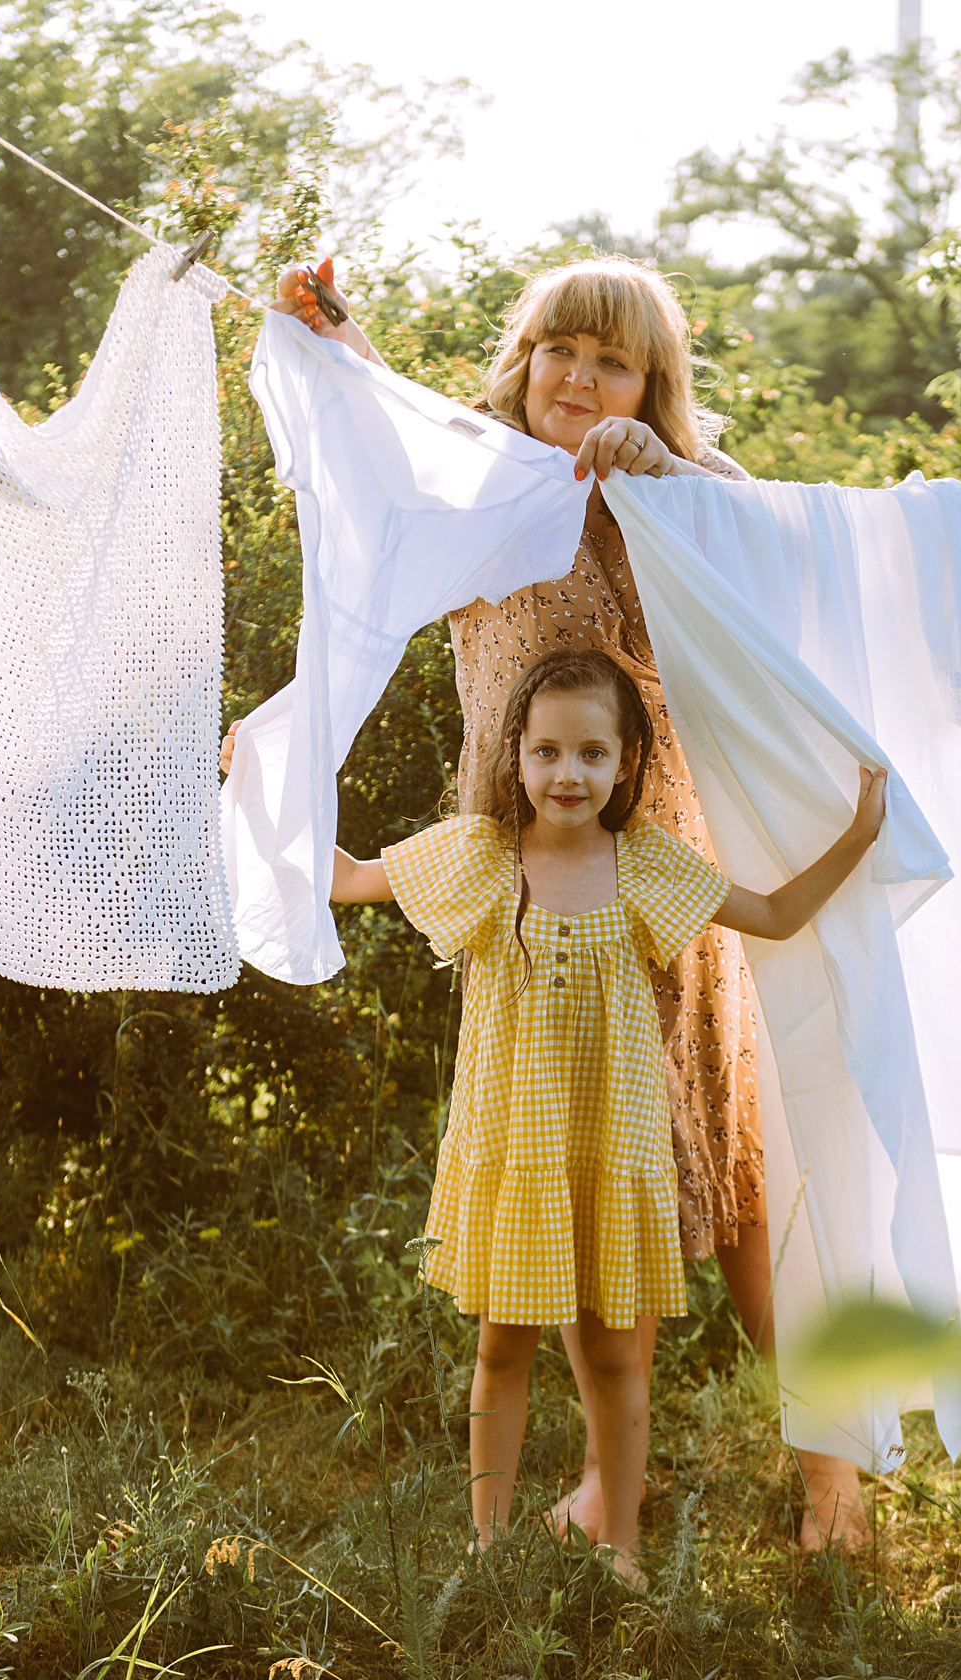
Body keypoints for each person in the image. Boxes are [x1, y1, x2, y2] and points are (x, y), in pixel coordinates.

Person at [265, 253, 875, 1554]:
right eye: (561, 351)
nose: (579, 380)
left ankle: (828, 1476)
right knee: (598, 1179)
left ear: (653, 386)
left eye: (614, 361)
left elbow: (786, 536)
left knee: (745, 1199)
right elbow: (388, 437)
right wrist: (338, 332)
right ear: (524, 357)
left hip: (661, 890)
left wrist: (662, 465)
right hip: (529, 900)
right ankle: (616, 1492)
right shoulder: (485, 486)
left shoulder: (669, 499)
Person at [326, 647, 887, 1583]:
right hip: (516, 1154)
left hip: (612, 1155)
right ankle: (487, 1544)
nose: (567, 774)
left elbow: (778, 914)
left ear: (628, 763)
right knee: (501, 1351)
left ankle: (618, 1545)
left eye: (591, 753)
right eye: (546, 752)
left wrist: (861, 831)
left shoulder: (647, 868)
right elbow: (345, 878)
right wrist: (264, 773)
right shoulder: (481, 859)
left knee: (618, 1361)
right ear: (516, 757)